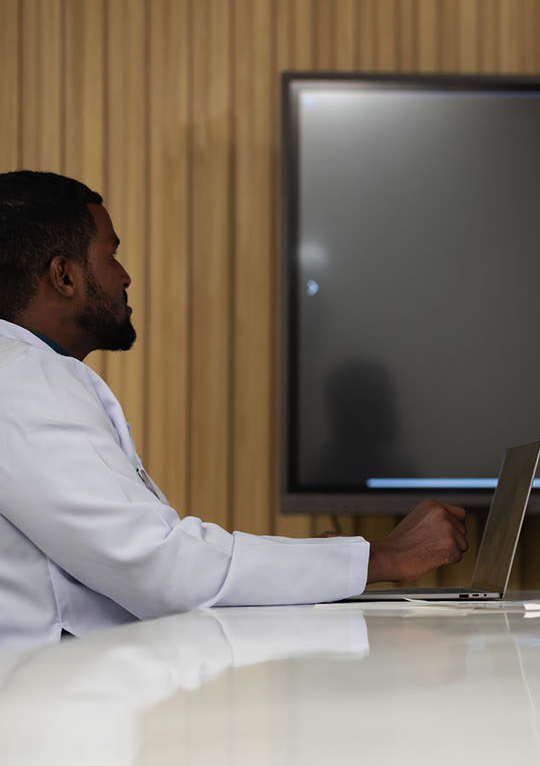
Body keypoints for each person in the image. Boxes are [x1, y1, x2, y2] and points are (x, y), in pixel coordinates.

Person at [0, 170, 469, 643]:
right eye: (111, 255)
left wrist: (324, 565)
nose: (125, 276)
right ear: (64, 275)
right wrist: (385, 556)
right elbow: (162, 566)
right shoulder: (24, 377)